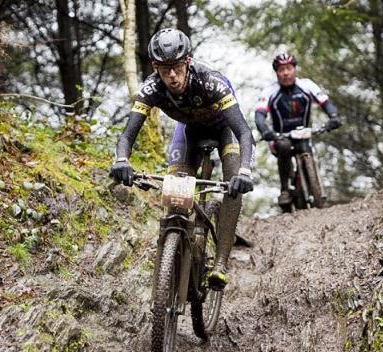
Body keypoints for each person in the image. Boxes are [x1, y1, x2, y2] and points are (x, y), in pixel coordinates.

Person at [111, 28, 254, 291]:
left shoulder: (211, 82)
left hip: (224, 131)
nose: (172, 76)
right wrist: (122, 160)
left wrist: (245, 171)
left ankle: (220, 264)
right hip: (189, 133)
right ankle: (173, 261)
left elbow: (244, 131)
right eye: (165, 69)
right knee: (176, 201)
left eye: (177, 67)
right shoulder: (152, 87)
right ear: (155, 67)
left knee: (233, 180)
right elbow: (127, 134)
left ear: (187, 62)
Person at [254, 52, 341, 209]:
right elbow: (260, 115)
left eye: (289, 68)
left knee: (306, 147)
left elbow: (325, 102)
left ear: (295, 69)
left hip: (303, 134)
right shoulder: (270, 91)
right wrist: (265, 130)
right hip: (279, 136)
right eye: (281, 70)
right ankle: (285, 190)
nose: (286, 73)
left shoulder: (307, 85)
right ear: (276, 73)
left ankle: (314, 186)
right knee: (284, 147)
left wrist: (334, 117)